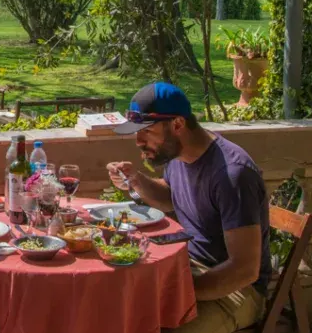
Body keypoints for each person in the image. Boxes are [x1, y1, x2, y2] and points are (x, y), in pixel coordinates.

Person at [107, 82, 271, 333]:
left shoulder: (232, 174)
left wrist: (177, 291)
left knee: (150, 326)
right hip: (188, 266)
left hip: (236, 290)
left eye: (146, 131)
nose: (138, 141)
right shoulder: (178, 154)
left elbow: (244, 270)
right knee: (115, 307)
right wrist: (136, 180)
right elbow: (171, 197)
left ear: (177, 124)